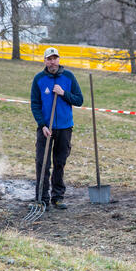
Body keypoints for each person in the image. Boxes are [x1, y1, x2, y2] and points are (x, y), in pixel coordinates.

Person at [30, 47, 83, 209]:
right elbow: (35, 104)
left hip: (65, 127)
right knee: (42, 162)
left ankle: (57, 197)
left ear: (59, 60)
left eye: (55, 58)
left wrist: (63, 93)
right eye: (49, 59)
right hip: (46, 128)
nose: (52, 62)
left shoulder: (68, 77)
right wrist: (42, 125)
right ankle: (42, 197)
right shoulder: (39, 79)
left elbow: (79, 100)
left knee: (60, 162)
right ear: (45, 61)